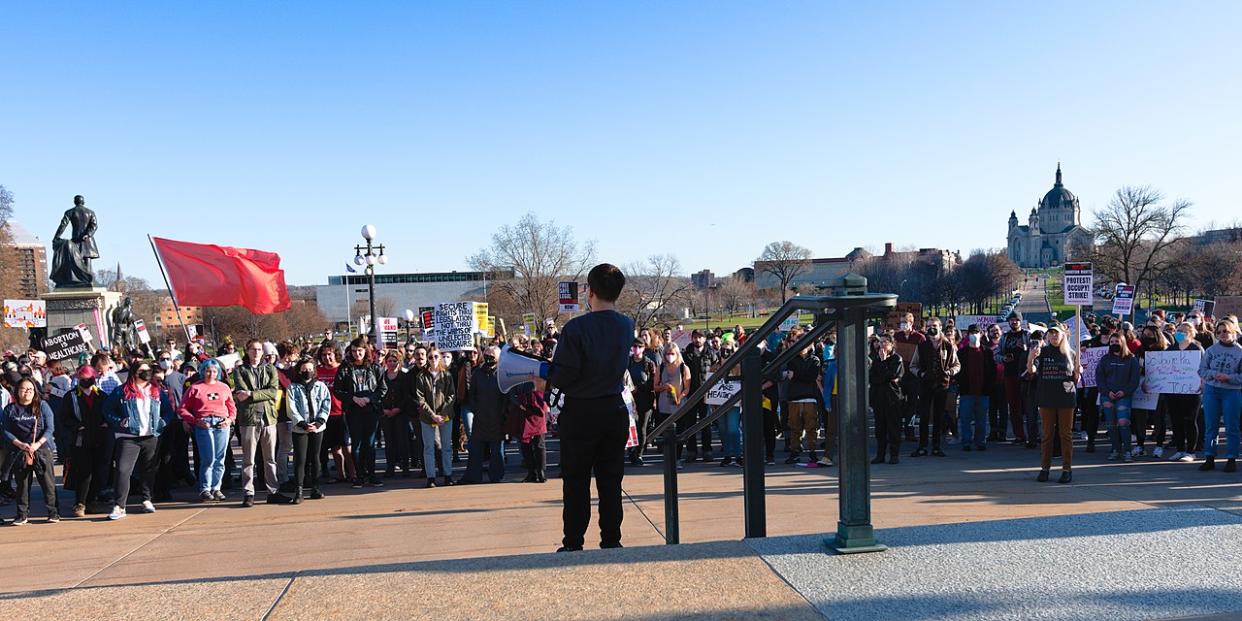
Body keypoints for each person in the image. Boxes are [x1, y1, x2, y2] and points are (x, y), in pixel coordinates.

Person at [546, 263, 633, 552]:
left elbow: (565, 374)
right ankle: (611, 539)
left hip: (581, 411)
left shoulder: (576, 328)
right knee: (611, 480)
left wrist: (543, 374)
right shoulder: (626, 325)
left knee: (576, 481)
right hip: (613, 408)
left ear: (589, 291)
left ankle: (573, 542)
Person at [103, 360, 175, 520]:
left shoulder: (156, 391)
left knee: (148, 470)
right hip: (128, 437)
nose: (146, 373)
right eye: (143, 370)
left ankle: (146, 499)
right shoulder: (122, 391)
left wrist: (162, 423)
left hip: (151, 436)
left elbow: (168, 411)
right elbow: (107, 409)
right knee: (123, 470)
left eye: (148, 370)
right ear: (134, 372)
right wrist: (119, 421)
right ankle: (119, 506)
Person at [233, 340, 288, 506]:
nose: (256, 352)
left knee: (270, 458)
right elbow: (240, 392)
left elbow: (273, 392)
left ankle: (273, 491)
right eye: (253, 349)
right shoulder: (240, 370)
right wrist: (252, 393)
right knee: (249, 458)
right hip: (249, 419)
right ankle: (248, 492)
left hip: (269, 417)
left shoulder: (270, 369)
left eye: (259, 349)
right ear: (247, 351)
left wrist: (251, 393)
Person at [1, 378, 59, 524]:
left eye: (30, 389)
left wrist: (37, 444)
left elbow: (50, 428)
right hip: (19, 450)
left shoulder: (42, 406)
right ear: (17, 391)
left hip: (41, 449)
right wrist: (20, 444)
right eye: (23, 389)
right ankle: (22, 514)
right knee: (22, 484)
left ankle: (53, 512)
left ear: (34, 392)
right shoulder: (10, 409)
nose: (26, 392)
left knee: (47, 483)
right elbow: (6, 430)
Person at [179, 359, 236, 502]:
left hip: (222, 423)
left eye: (214, 371)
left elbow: (232, 407)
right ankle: (205, 488)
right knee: (208, 458)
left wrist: (229, 420)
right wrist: (195, 421)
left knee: (220, 459)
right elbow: (182, 409)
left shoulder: (224, 387)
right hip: (204, 424)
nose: (211, 373)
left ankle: (217, 488)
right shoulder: (194, 388)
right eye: (208, 370)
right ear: (202, 371)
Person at [1029, 325, 1080, 484]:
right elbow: (1032, 370)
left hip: (1066, 398)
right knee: (1047, 435)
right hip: (1046, 398)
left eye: (1056, 333)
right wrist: (1030, 358)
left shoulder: (1071, 354)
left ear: (1063, 335)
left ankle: (1067, 469)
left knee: (1066, 435)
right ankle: (1045, 468)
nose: (1053, 336)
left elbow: (1075, 379)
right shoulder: (1043, 352)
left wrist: (1078, 372)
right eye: (1050, 334)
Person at [334, 338, 384, 489]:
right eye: (354, 351)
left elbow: (382, 389)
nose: (357, 354)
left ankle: (372, 474)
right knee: (356, 444)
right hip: (353, 410)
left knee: (370, 443)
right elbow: (338, 390)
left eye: (360, 351)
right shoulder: (345, 368)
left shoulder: (375, 367)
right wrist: (353, 398)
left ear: (365, 351)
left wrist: (369, 398)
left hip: (371, 410)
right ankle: (359, 475)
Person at [59, 366, 108, 516]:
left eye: (89, 378)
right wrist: (76, 427)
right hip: (80, 441)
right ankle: (80, 503)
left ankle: (92, 502)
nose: (86, 381)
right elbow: (63, 418)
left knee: (98, 471)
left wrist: (106, 423)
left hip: (99, 439)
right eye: (83, 378)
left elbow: (108, 412)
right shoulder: (71, 396)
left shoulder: (102, 395)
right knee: (83, 472)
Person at [910, 317, 960, 457]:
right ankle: (923, 446)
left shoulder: (948, 345)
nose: (933, 328)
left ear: (940, 327)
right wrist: (921, 373)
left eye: (935, 326)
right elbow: (913, 365)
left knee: (939, 417)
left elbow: (957, 365)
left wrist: (950, 372)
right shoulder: (922, 345)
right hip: (925, 385)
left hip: (942, 385)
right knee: (924, 416)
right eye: (930, 326)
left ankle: (937, 446)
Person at [1197, 320, 1242, 472]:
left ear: (1233, 332)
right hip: (1212, 390)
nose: (1223, 334)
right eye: (1219, 332)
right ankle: (1209, 457)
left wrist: (1229, 378)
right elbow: (1202, 370)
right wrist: (1214, 374)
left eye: (1226, 331)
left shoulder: (1240, 351)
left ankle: (1231, 458)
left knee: (1232, 426)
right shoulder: (1210, 350)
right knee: (1211, 426)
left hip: (1231, 392)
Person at [410, 345, 456, 487]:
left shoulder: (446, 375)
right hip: (427, 417)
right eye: (430, 357)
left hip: (445, 416)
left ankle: (448, 475)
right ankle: (431, 477)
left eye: (436, 356)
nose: (433, 359)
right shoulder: (421, 376)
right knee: (428, 447)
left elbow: (451, 395)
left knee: (446, 446)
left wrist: (442, 414)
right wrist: (432, 415)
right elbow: (421, 399)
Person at [286, 357, 330, 502]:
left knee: (315, 457)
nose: (307, 372)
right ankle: (298, 490)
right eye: (305, 369)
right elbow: (291, 408)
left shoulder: (320, 386)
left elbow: (326, 403)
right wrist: (302, 423)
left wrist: (318, 422)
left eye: (310, 369)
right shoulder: (293, 387)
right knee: (300, 459)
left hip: (317, 427)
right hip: (300, 428)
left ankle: (315, 488)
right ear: (299, 370)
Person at [462, 346, 507, 484]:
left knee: (497, 450)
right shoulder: (478, 373)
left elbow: (506, 395)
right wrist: (476, 409)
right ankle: (473, 476)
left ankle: (496, 476)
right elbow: (472, 394)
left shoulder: (502, 373)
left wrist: (503, 413)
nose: (488, 358)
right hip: (480, 416)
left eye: (492, 356)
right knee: (475, 448)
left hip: (497, 417)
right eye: (486, 354)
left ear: (498, 358)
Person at [1096, 333, 1140, 462]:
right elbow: (1099, 378)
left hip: (1124, 396)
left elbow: (1134, 380)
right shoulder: (1105, 359)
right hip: (1107, 396)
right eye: (1112, 342)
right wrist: (1106, 391)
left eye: (1117, 341)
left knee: (1123, 423)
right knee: (1111, 424)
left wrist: (1125, 391)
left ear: (1122, 342)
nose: (1114, 344)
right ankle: (1115, 449)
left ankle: (1127, 451)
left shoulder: (1131, 359)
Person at [316, 344, 354, 483]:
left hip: (342, 412)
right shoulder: (317, 371)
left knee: (346, 447)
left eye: (330, 354)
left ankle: (353, 474)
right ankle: (341, 474)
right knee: (335, 448)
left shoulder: (343, 370)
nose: (327, 357)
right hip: (326, 414)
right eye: (324, 355)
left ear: (336, 354)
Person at [1166, 323, 1204, 462]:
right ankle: (1180, 449)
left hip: (1192, 391)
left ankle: (1191, 451)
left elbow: (1204, 368)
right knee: (1176, 421)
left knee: (1190, 420)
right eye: (1178, 330)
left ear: (1191, 333)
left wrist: (1202, 382)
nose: (1179, 333)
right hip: (1174, 390)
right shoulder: (1171, 349)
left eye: (1183, 331)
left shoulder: (1197, 349)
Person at [783, 341, 824, 467]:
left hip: (810, 397)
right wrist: (803, 376)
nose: (803, 347)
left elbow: (811, 377)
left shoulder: (815, 360)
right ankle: (795, 452)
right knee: (795, 427)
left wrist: (796, 376)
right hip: (795, 397)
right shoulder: (792, 360)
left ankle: (812, 452)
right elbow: (807, 376)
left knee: (811, 427)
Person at [681, 330, 719, 462]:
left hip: (706, 394)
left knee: (706, 423)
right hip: (690, 393)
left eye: (700, 337)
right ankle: (691, 451)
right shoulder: (686, 354)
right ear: (692, 339)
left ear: (704, 339)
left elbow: (717, 370)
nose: (697, 340)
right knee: (690, 424)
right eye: (695, 337)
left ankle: (707, 450)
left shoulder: (711, 354)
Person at [956, 325, 994, 452]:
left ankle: (980, 441)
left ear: (981, 334)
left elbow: (992, 370)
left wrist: (989, 386)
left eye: (976, 332)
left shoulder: (987, 352)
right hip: (967, 391)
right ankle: (966, 442)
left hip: (983, 391)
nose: (974, 335)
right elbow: (958, 371)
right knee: (965, 419)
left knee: (981, 419)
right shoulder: (961, 353)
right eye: (971, 333)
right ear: (967, 335)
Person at [870, 335, 904, 464]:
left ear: (891, 344)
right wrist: (882, 369)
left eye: (885, 342)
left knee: (893, 427)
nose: (882, 345)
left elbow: (892, 375)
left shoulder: (897, 359)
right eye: (880, 342)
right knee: (880, 428)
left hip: (892, 397)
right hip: (879, 397)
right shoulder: (876, 359)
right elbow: (873, 377)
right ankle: (880, 454)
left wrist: (884, 363)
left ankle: (894, 454)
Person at [654, 343, 691, 461]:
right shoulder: (661, 367)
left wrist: (680, 397)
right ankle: (668, 458)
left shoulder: (683, 368)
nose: (669, 356)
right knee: (666, 432)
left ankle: (678, 458)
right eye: (667, 354)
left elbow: (687, 387)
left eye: (672, 353)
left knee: (679, 432)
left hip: (679, 404)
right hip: (664, 405)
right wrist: (663, 387)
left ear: (677, 354)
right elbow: (655, 386)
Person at [1000, 311, 1032, 445]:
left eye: (1016, 320)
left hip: (1025, 374)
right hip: (1009, 374)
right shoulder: (1005, 337)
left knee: (1029, 406)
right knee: (1014, 407)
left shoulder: (1027, 335)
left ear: (1021, 322)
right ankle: (1019, 435)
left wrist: (1025, 349)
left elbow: (1036, 350)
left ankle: (1033, 435)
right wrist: (1003, 358)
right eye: (1012, 320)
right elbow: (997, 354)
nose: (1014, 322)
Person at [626, 339, 657, 466]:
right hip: (629, 399)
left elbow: (653, 382)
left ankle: (639, 454)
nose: (637, 349)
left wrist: (639, 388)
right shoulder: (627, 362)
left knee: (642, 428)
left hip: (645, 399)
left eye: (640, 346)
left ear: (644, 348)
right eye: (634, 346)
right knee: (630, 427)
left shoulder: (649, 363)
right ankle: (631, 451)